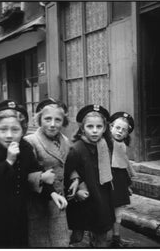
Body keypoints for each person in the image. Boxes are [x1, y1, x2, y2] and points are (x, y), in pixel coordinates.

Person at [0, 100, 55, 248]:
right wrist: (8, 161)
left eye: (15, 130)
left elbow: (34, 172)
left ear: (23, 130)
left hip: (17, 214)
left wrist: (52, 193)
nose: (9, 135)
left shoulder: (24, 147)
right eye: (3, 130)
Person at [64, 104, 115, 247]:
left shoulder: (106, 145)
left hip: (102, 196)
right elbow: (67, 172)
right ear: (82, 128)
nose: (94, 131)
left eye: (99, 127)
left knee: (101, 235)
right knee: (77, 236)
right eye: (90, 127)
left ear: (104, 128)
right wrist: (77, 189)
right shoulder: (76, 149)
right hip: (83, 199)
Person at [24, 98, 73, 247]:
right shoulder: (30, 141)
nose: (52, 124)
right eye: (47, 119)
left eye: (57, 120)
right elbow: (24, 173)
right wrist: (41, 177)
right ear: (39, 120)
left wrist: (75, 179)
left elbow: (68, 165)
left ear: (63, 122)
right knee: (41, 242)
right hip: (39, 203)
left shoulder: (65, 141)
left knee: (61, 241)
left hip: (59, 202)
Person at [109, 111, 137, 247]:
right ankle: (96, 238)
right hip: (107, 180)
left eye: (124, 130)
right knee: (103, 209)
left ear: (127, 134)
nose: (120, 132)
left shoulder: (123, 146)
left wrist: (127, 185)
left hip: (119, 181)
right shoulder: (104, 143)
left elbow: (124, 166)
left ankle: (116, 237)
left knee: (118, 211)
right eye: (117, 128)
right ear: (111, 127)